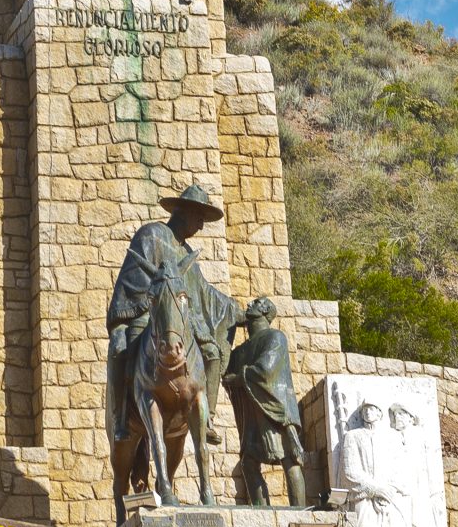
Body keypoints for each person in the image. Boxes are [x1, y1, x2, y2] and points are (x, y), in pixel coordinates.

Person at [105, 183, 240, 455]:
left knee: (212, 354)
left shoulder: (187, 254)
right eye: (199, 218)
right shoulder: (152, 235)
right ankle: (121, 417)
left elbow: (204, 293)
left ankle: (207, 418)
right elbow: (135, 280)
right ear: (185, 212)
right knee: (122, 346)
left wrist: (235, 309)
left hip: (182, 324)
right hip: (148, 314)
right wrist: (154, 305)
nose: (201, 226)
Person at [224, 298, 312, 507]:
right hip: (251, 410)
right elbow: (225, 371)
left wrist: (238, 378)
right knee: (248, 463)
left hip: (274, 407)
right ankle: (261, 512)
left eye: (255, 303)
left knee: (289, 459)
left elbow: (266, 370)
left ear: (264, 311)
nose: (248, 306)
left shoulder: (275, 337)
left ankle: (299, 513)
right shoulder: (238, 352)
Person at [335, 400, 407, 527]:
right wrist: (375, 489)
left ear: (380, 413)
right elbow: (349, 471)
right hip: (365, 496)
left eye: (373, 409)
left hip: (390, 497)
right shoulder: (352, 436)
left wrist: (390, 490)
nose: (368, 413)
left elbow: (398, 467)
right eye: (364, 410)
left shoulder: (391, 438)